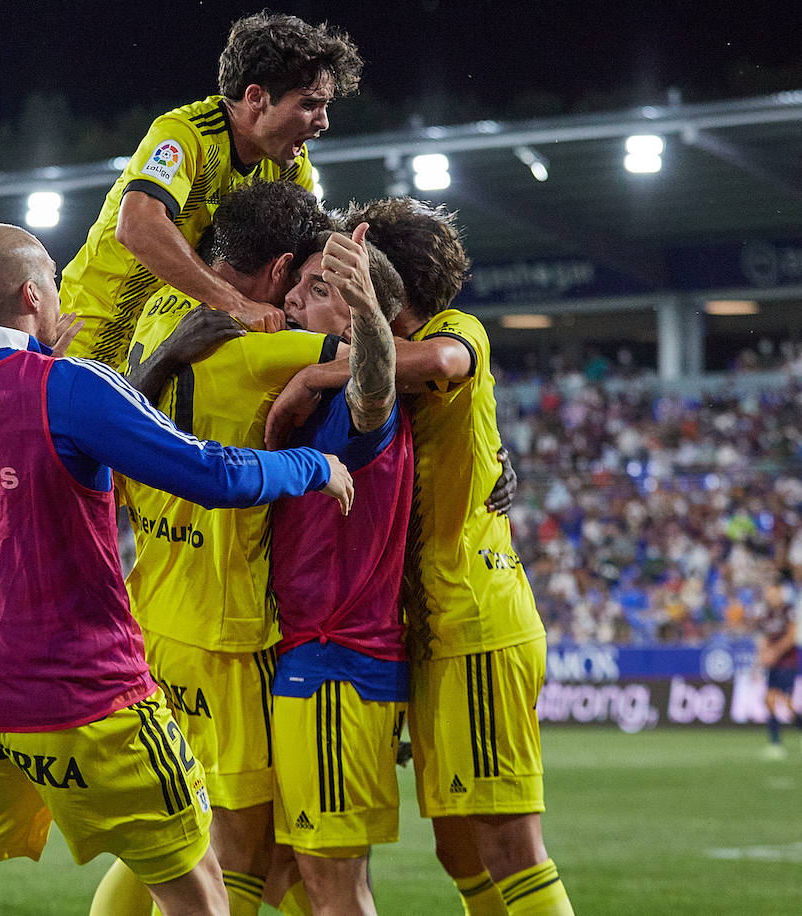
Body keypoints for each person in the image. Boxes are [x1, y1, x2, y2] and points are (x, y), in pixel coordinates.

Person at [0, 223, 354, 916]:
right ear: (33, 293)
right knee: (200, 896)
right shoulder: (71, 388)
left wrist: (44, 366)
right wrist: (313, 464)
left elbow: (0, 448)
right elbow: (209, 472)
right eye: (53, 279)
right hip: (89, 702)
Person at [268, 197, 574, 915]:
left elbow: (437, 361)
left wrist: (316, 370)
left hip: (473, 613)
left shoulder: (449, 333)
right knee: (460, 848)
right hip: (426, 626)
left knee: (506, 845)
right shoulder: (387, 381)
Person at [107, 179, 347, 916]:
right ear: (278, 271)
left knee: (173, 832)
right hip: (225, 628)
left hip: (154, 611)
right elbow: (389, 359)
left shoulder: (158, 310)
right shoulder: (260, 343)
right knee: (243, 845)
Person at [59, 11, 361, 367]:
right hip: (94, 335)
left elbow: (308, 255)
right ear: (255, 97)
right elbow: (137, 226)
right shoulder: (184, 134)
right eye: (309, 104)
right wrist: (236, 303)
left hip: (178, 336)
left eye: (325, 106)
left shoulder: (291, 165)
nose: (323, 121)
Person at [268, 224, 412, 916]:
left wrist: (370, 326)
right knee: (278, 872)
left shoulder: (357, 419)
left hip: (334, 666)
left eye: (319, 289)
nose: (295, 301)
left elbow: (376, 386)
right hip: (313, 662)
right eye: (297, 285)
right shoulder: (314, 403)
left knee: (334, 888)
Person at [757, 580, 799, 759]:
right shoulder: (767, 614)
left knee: (788, 705)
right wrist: (764, 654)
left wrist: (774, 652)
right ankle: (775, 744)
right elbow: (765, 638)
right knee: (770, 700)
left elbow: (791, 636)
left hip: (787, 663)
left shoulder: (787, 610)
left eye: (771, 591)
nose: (768, 595)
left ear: (779, 592)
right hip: (774, 665)